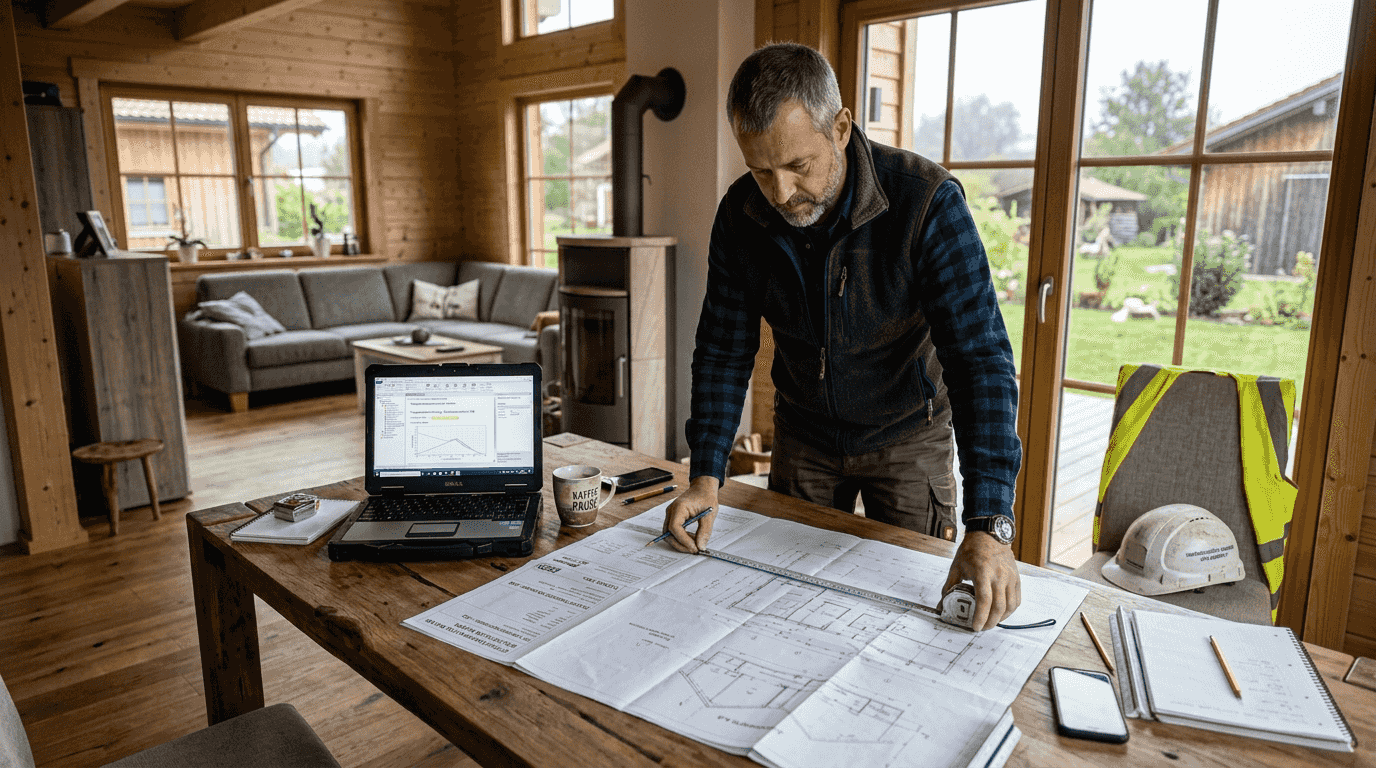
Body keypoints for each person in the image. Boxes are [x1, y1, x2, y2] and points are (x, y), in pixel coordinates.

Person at [662, 42, 1023, 631]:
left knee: (913, 621)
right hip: (803, 436)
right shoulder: (741, 214)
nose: (780, 193)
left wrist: (990, 525)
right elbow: (723, 350)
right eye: (761, 171)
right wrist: (705, 475)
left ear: (841, 127)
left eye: (798, 165)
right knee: (785, 613)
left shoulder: (927, 203)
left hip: (907, 436)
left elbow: (979, 361)